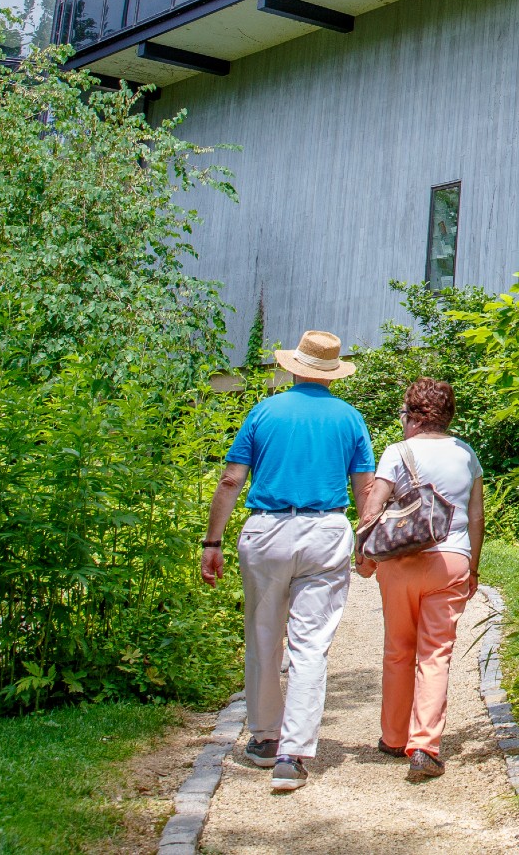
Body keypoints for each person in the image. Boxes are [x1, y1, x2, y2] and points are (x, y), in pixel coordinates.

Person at [200, 330, 375, 794]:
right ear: (333, 373)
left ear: (295, 367)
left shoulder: (264, 411)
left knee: (263, 637)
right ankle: (294, 755)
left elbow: (230, 480)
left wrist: (212, 542)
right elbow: (365, 489)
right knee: (310, 644)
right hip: (326, 530)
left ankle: (263, 738)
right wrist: (366, 541)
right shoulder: (351, 418)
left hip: (266, 530)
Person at [354, 377, 485, 783]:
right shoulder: (467, 454)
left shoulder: (398, 451)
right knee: (435, 653)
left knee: (398, 649)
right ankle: (425, 746)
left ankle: (394, 738)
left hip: (401, 562)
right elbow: (477, 517)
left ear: (411, 414)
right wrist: (474, 567)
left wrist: (364, 554)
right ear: (448, 415)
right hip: (451, 561)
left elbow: (373, 507)